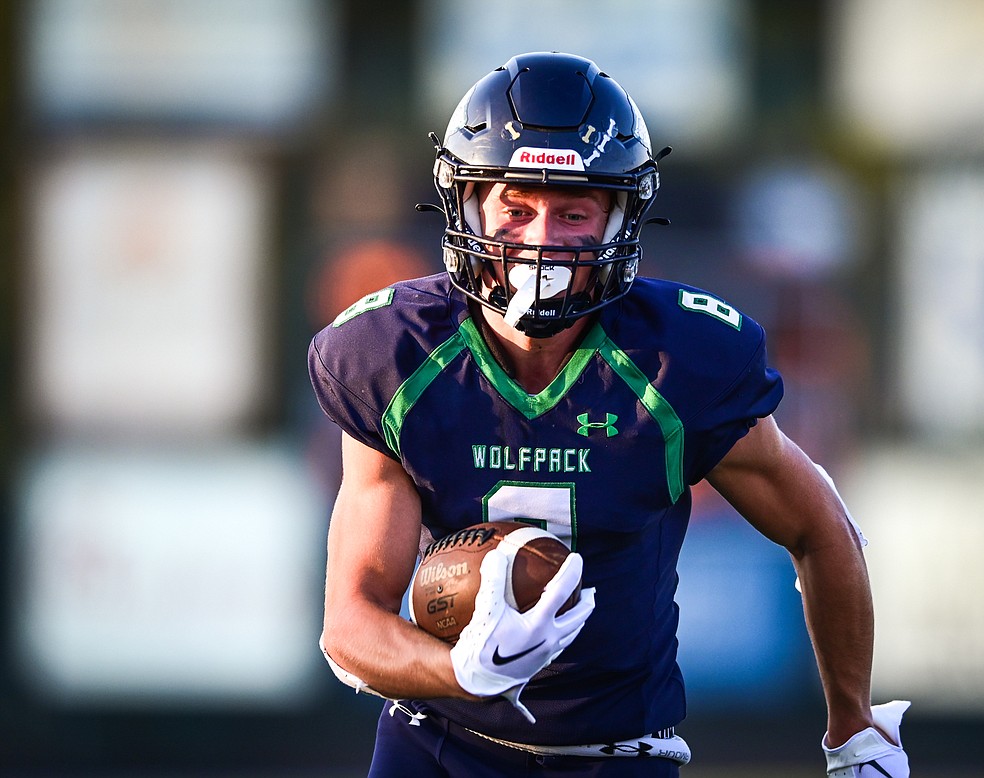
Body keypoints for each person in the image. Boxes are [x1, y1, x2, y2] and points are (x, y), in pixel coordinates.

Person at [307, 51, 910, 777]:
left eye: (572, 212)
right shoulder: (394, 355)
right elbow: (350, 624)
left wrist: (854, 730)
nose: (539, 241)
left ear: (620, 219)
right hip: (436, 744)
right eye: (517, 207)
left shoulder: (680, 360)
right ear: (466, 204)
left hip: (614, 754)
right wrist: (463, 674)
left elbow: (821, 528)